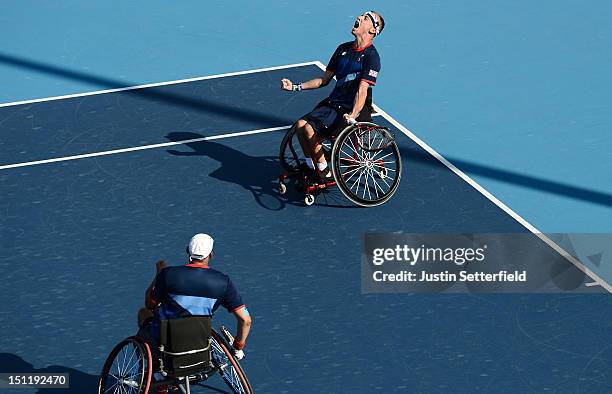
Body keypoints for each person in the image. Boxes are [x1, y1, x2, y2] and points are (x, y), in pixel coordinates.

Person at [281, 11, 385, 178]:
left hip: (351, 108)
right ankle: (310, 165)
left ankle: (324, 171)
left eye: (365, 18)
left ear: (373, 30)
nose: (359, 18)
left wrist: (353, 114)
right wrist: (295, 87)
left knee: (309, 128)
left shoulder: (372, 58)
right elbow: (324, 80)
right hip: (334, 103)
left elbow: (362, 90)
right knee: (300, 125)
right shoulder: (342, 49)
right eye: (361, 15)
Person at [137, 233, 252, 363]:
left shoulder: (167, 274)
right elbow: (246, 320)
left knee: (144, 313)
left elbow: (150, 304)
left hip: (168, 343)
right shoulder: (223, 282)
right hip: (201, 346)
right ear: (211, 255)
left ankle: (150, 371)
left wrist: (159, 275)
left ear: (188, 251)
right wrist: (238, 347)